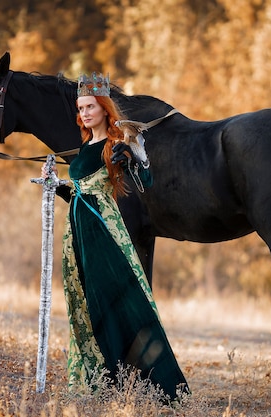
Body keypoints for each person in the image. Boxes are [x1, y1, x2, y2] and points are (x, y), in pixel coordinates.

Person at [43, 72, 189, 402]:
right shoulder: (85, 147)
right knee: (90, 305)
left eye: (90, 106)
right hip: (80, 236)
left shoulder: (114, 145)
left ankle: (162, 387)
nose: (84, 113)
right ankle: (102, 380)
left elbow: (146, 182)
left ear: (105, 108)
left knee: (122, 305)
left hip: (104, 235)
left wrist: (135, 157)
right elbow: (82, 193)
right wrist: (56, 186)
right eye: (80, 108)